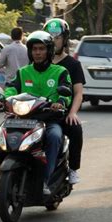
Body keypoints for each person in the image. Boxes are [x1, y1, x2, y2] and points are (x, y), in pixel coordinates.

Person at [0, 31, 72, 195]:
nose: (37, 52)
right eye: (34, 49)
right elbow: (12, 88)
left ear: (49, 51)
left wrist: (60, 102)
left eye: (41, 49)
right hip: (23, 119)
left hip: (49, 120)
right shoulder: (23, 72)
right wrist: (3, 99)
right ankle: (9, 175)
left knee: (54, 136)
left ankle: (47, 179)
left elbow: (67, 93)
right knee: (2, 134)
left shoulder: (60, 72)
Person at [43, 18, 85, 184]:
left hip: (62, 112)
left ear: (65, 39)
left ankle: (73, 169)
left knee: (76, 129)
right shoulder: (38, 61)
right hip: (37, 111)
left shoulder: (73, 64)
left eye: (57, 37)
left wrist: (72, 112)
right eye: (49, 38)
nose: (53, 41)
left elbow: (78, 93)